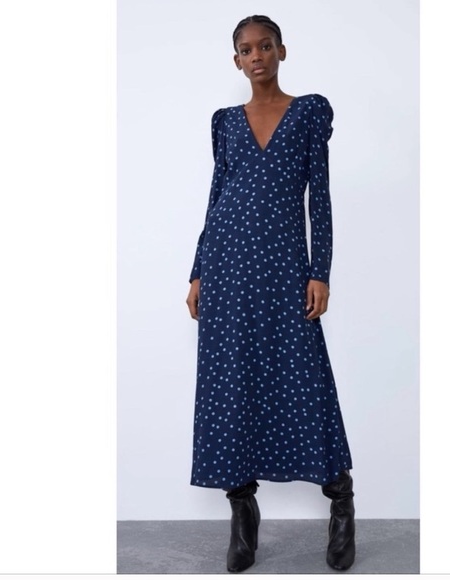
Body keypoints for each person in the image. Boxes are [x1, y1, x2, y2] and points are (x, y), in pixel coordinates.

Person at [186, 15, 355, 573]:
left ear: (282, 51)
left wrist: (319, 271)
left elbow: (319, 200)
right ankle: (242, 512)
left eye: (264, 46)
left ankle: (341, 502)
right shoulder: (225, 122)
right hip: (227, 269)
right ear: (236, 60)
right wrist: (198, 271)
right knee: (231, 383)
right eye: (245, 49)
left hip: (284, 270)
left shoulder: (308, 112)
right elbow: (217, 196)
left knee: (305, 377)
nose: (256, 55)